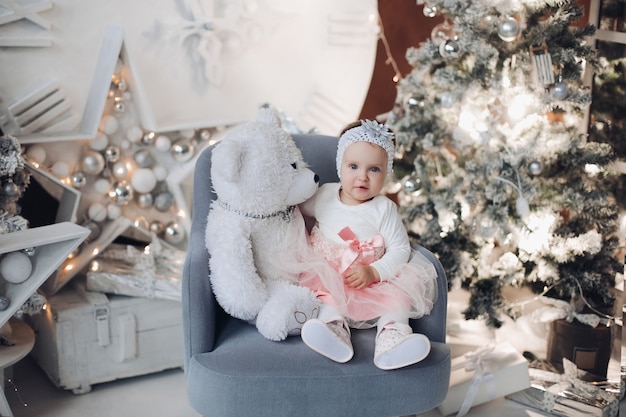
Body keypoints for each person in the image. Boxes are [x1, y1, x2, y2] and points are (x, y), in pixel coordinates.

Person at [297, 119, 438, 370]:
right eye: (353, 166)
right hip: (329, 271)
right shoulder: (325, 195)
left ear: (386, 172)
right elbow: (297, 211)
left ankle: (394, 339)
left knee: (396, 300)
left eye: (374, 169)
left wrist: (374, 272)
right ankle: (334, 332)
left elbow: (400, 249)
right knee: (329, 299)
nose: (362, 177)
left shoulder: (384, 208)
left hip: (372, 276)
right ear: (340, 166)